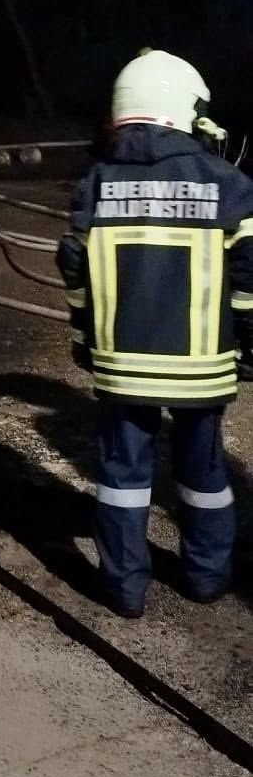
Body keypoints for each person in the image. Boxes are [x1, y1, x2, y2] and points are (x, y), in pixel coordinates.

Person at [57, 49, 253, 616]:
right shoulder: (229, 184)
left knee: (122, 479)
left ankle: (124, 590)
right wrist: (247, 346)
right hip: (203, 367)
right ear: (186, 111)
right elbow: (249, 275)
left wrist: (85, 343)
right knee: (205, 475)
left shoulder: (96, 183)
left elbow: (74, 268)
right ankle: (207, 579)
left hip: (123, 367)